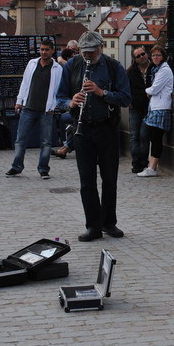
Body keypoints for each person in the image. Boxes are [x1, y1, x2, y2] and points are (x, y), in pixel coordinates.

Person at [56, 31, 131, 242]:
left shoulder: (113, 67)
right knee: (86, 181)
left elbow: (126, 98)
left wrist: (102, 93)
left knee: (109, 179)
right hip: (82, 130)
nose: (87, 56)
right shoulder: (72, 66)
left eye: (91, 52)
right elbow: (59, 97)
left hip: (107, 128)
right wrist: (71, 102)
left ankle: (109, 222)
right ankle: (93, 226)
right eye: (84, 52)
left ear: (100, 48)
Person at [5, 39, 62, 179]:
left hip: (46, 110)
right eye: (42, 49)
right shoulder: (32, 63)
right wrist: (19, 101)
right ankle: (16, 166)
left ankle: (43, 168)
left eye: (46, 49)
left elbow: (59, 90)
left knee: (46, 142)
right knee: (20, 139)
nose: (43, 52)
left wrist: (53, 106)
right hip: (28, 108)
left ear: (52, 51)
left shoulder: (58, 69)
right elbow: (25, 83)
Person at [138, 45, 173, 177]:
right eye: (153, 55)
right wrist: (150, 91)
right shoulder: (158, 69)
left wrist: (147, 91)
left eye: (158, 55)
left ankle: (152, 168)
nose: (155, 57)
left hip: (161, 108)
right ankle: (151, 166)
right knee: (153, 137)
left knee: (156, 138)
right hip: (156, 107)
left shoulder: (164, 70)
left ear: (163, 56)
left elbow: (154, 89)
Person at [126, 45, 151, 173]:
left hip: (149, 108)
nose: (142, 57)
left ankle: (144, 162)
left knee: (144, 135)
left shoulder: (154, 69)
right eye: (138, 56)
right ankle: (136, 163)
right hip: (135, 107)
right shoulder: (130, 72)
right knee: (134, 135)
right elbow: (125, 87)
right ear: (135, 59)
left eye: (143, 54)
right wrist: (129, 101)